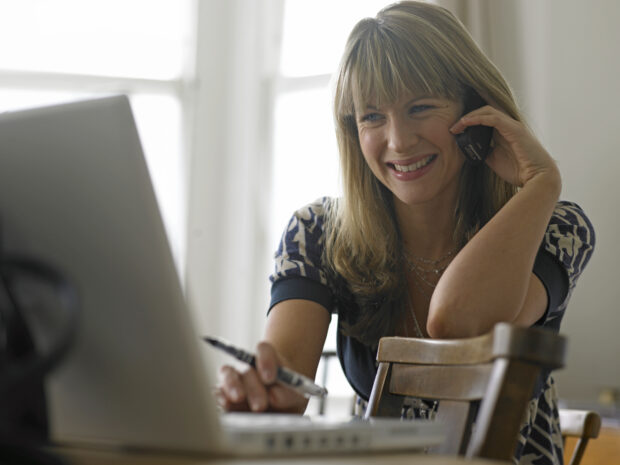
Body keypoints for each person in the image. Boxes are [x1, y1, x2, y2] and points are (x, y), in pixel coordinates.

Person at [216, 2, 595, 464]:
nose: (398, 141)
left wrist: (542, 181)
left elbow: (458, 323)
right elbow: (286, 390)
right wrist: (259, 393)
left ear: (477, 109)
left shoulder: (555, 226)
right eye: (372, 117)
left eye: (420, 108)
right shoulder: (316, 233)